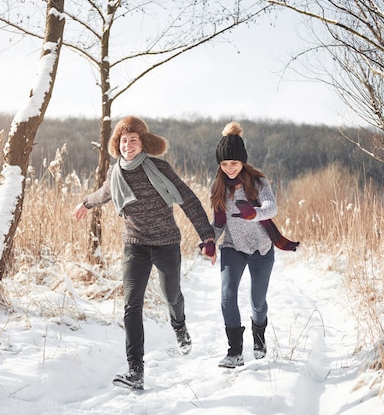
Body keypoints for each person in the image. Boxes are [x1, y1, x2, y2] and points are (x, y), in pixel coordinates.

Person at [73, 116, 216, 390]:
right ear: (118, 144)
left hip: (166, 243)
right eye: (123, 141)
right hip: (135, 244)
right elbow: (103, 194)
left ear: (143, 142)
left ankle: (180, 327)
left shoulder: (160, 168)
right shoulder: (116, 174)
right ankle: (135, 371)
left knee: (171, 295)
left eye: (133, 140)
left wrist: (206, 235)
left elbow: (187, 198)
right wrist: (85, 204)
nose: (128, 145)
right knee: (131, 305)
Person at [208, 121, 298, 369]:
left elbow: (272, 208)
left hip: (261, 249)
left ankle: (259, 338)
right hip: (233, 248)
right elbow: (218, 223)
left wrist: (254, 213)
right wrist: (208, 240)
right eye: (224, 164)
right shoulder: (218, 188)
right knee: (227, 296)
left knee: (258, 301)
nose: (229, 169)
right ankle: (234, 351)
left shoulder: (259, 184)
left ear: (243, 161)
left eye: (233, 163)